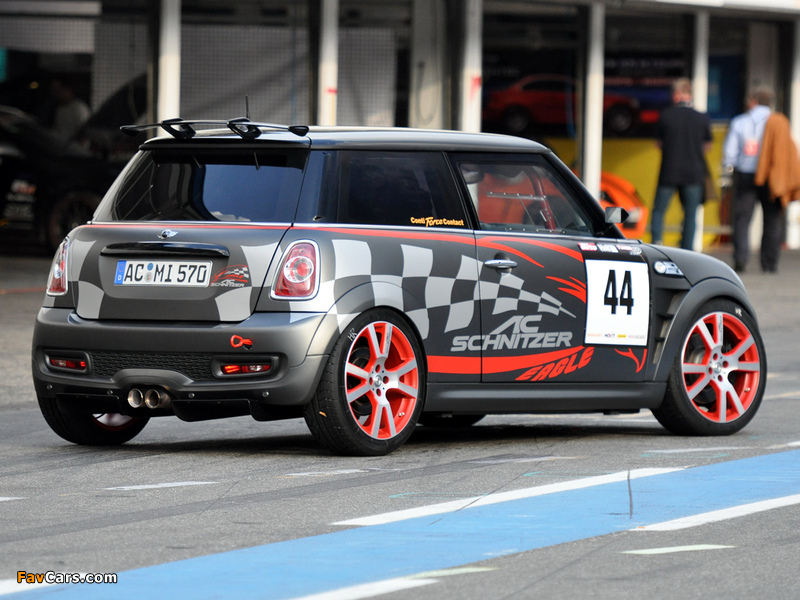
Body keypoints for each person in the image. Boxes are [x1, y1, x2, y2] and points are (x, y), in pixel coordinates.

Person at [722, 86, 782, 273]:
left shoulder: (740, 122)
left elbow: (730, 152)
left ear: (753, 101)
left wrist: (729, 169)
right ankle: (769, 263)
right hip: (771, 176)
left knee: (742, 219)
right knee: (772, 219)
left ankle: (740, 259)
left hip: (746, 175)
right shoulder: (779, 122)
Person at [650, 77, 712, 250]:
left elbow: (658, 143)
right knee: (690, 214)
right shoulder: (702, 118)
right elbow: (707, 146)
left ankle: (657, 243)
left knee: (659, 210)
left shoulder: (666, 116)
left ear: (677, 94)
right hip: (694, 173)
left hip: (669, 171)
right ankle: (687, 249)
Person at [752, 108, 800, 272]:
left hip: (760, 177)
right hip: (772, 181)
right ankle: (769, 263)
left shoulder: (761, 124)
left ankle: (747, 260)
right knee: (772, 223)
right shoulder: (782, 126)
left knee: (746, 219)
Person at [49, 76, 91, 141]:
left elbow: (84, 136)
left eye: (58, 90)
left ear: (67, 89)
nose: (55, 94)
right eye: (53, 90)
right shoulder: (60, 109)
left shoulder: (79, 109)